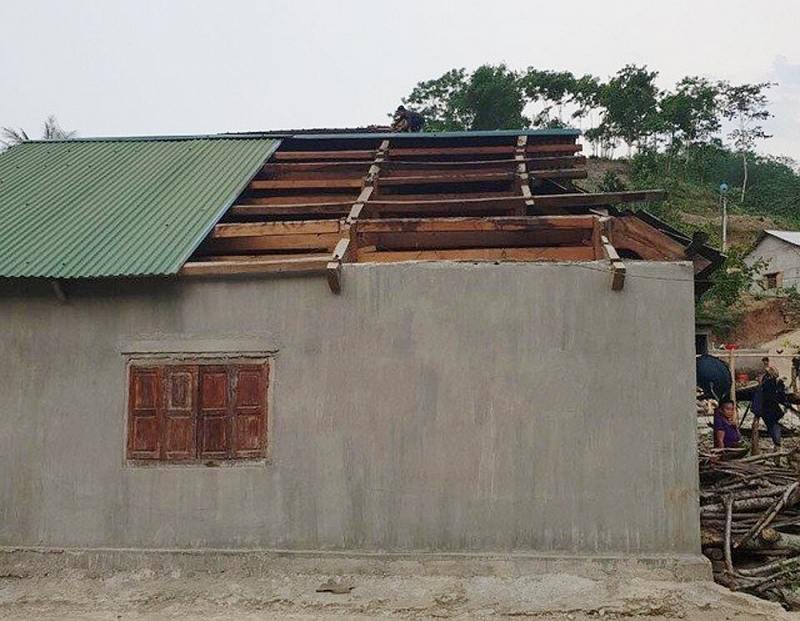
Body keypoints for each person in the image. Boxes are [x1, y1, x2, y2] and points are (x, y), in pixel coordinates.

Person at [758, 356, 783, 449]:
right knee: (773, 424)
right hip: (773, 407)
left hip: (769, 408)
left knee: (772, 425)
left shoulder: (768, 382)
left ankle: (777, 443)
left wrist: (760, 383)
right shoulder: (776, 382)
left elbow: (762, 390)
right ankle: (777, 443)